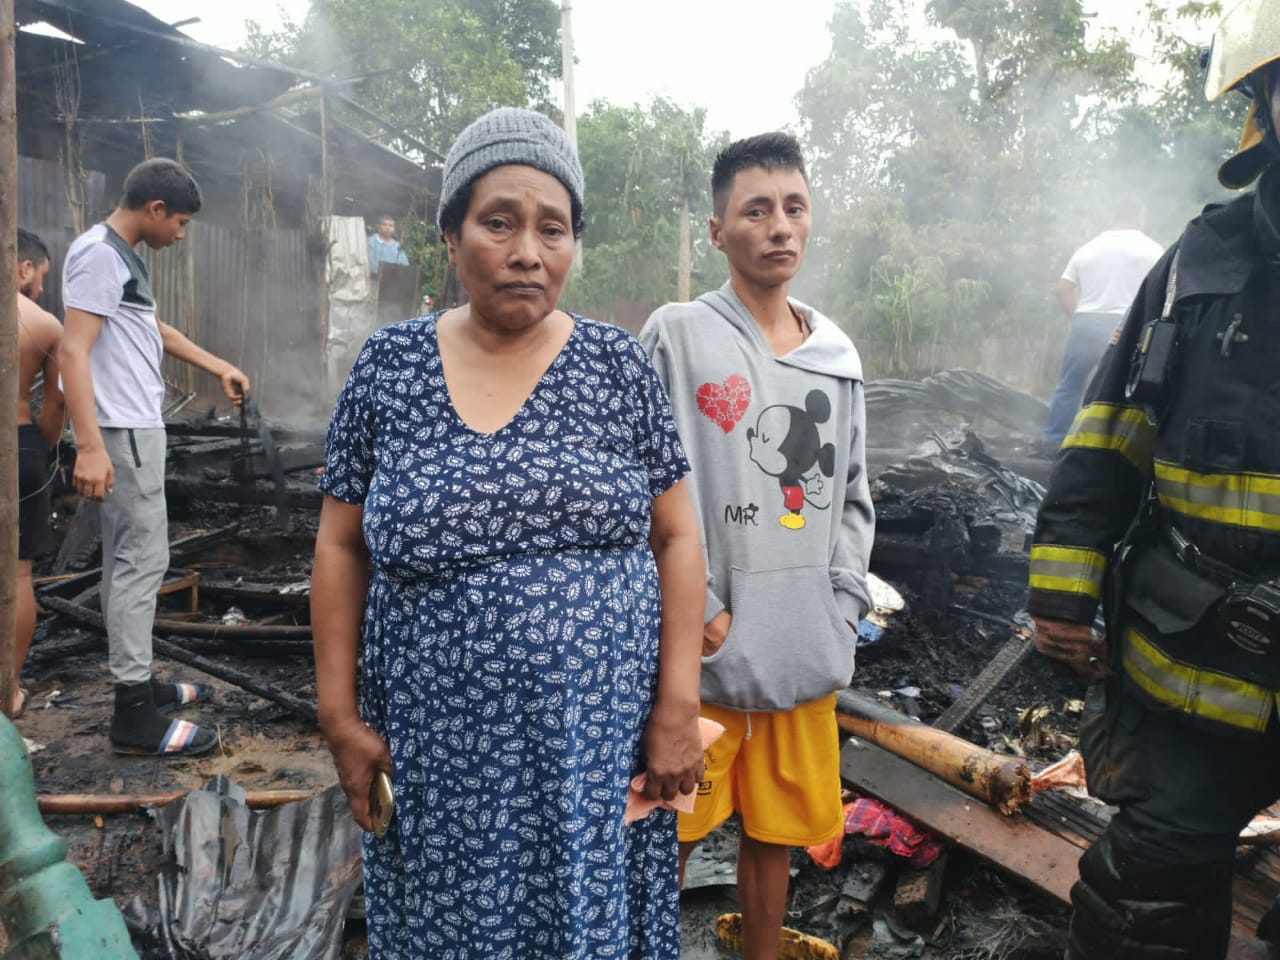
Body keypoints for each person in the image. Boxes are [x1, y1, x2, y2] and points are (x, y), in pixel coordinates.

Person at [312, 106, 705, 959]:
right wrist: (339, 717)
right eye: (499, 222)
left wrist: (677, 704)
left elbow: (677, 536)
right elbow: (339, 546)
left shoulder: (616, 368)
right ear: (451, 236)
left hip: (596, 754)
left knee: (585, 927)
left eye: (552, 228)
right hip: (436, 756)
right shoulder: (389, 368)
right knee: (455, 931)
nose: (528, 250)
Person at [1028, 6, 1280, 957]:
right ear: (1263, 102)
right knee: (1148, 911)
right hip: (1193, 670)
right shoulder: (1197, 268)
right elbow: (1109, 434)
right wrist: (1063, 593)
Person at [639, 132, 875, 960]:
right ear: (717, 230)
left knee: (773, 835)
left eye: (794, 208)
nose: (780, 226)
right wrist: (697, 613)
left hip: (802, 647)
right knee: (663, 826)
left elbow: (852, 497)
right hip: (700, 656)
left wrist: (839, 608)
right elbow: (641, 483)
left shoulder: (837, 359)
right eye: (757, 209)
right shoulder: (678, 336)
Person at [59, 158, 250, 756]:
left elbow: (155, 332)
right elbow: (71, 351)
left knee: (127, 564)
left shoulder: (119, 254)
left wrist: (218, 365)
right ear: (155, 210)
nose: (182, 234)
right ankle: (134, 720)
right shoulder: (99, 255)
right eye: (183, 222)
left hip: (135, 430)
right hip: (122, 432)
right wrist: (89, 446)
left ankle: (138, 685)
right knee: (144, 563)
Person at [1041, 200, 1163, 449]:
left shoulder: (1087, 248)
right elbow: (1162, 291)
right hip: (1127, 325)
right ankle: (1115, 445)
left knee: (1070, 384)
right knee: (1126, 386)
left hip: (1086, 320)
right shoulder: (1151, 249)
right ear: (1140, 216)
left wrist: (1077, 318)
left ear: (1112, 216)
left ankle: (1054, 442)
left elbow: (1063, 289)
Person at [13, 227, 64, 719]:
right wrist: (38, 449)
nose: (42, 288)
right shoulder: (45, 324)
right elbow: (59, 401)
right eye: (41, 276)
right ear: (23, 267)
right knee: (18, 573)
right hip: (20, 443)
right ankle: (8, 690)